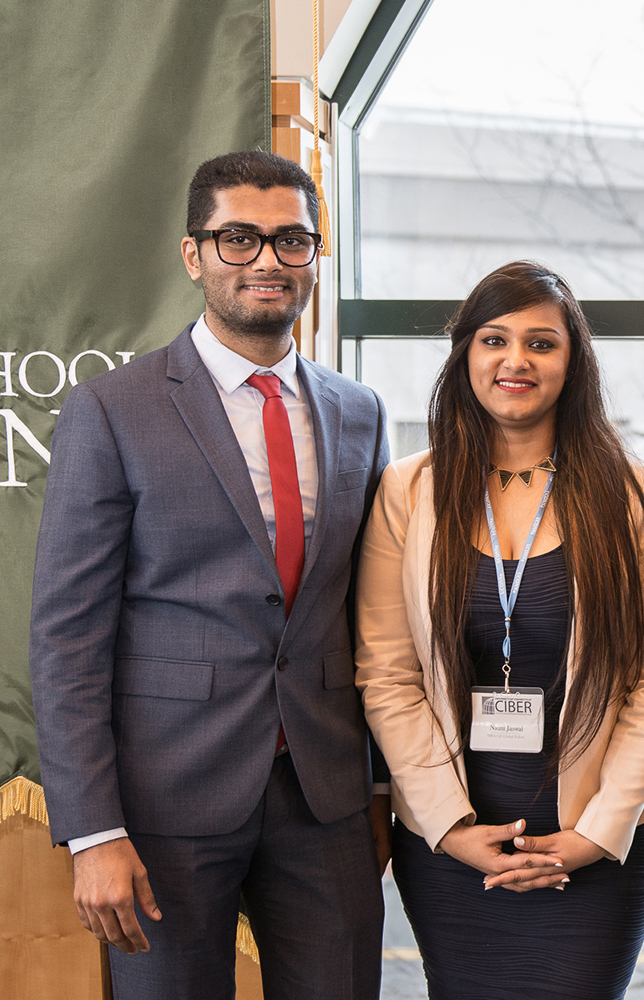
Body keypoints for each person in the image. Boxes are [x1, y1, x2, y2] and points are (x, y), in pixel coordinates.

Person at [28, 150, 389, 999]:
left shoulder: (358, 411)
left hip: (326, 798)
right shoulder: (112, 410)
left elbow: (367, 613)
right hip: (161, 810)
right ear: (195, 256)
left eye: (291, 240)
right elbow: (66, 636)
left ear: (314, 255)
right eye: (239, 239)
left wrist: (376, 785)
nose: (267, 260)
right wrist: (92, 832)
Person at [355, 260, 644, 999]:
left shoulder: (631, 490)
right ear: (464, 355)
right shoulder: (409, 492)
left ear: (572, 363)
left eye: (542, 343)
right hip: (452, 843)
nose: (516, 361)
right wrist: (448, 827)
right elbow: (387, 674)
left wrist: (595, 834)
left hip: (598, 845)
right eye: (494, 339)